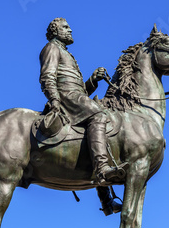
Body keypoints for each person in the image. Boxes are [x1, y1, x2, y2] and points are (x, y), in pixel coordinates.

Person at [39, 17, 125, 215]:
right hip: (66, 98)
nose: (70, 30)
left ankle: (106, 201)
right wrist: (55, 101)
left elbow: (80, 90)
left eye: (69, 27)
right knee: (99, 116)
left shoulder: (65, 51)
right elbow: (47, 77)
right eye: (65, 27)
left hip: (75, 96)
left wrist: (93, 80)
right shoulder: (51, 48)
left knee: (99, 129)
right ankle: (103, 169)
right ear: (55, 31)